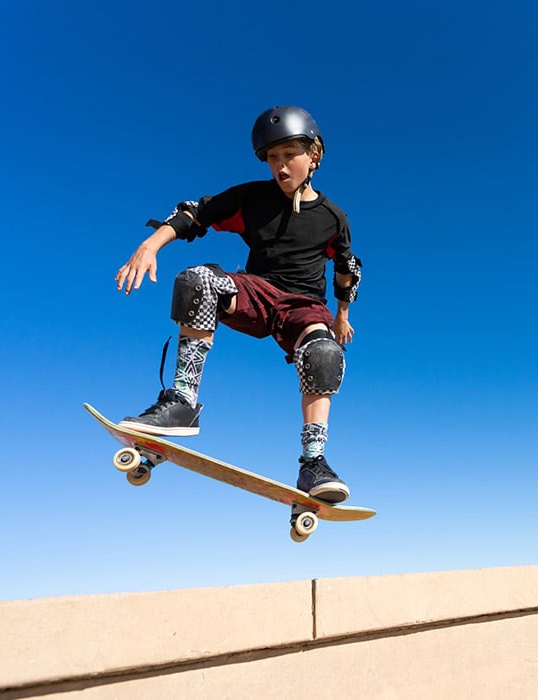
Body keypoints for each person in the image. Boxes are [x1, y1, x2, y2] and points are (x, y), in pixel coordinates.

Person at [114, 105, 361, 504]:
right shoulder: (252, 198)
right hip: (256, 291)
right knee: (198, 281)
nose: (280, 168)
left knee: (324, 354)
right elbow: (195, 214)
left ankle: (313, 463)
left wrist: (342, 316)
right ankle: (181, 403)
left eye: (290, 156)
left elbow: (347, 267)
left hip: (304, 308)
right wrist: (150, 245)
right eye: (272, 158)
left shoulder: (334, 217)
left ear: (314, 155)